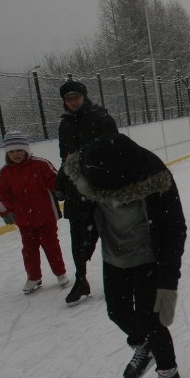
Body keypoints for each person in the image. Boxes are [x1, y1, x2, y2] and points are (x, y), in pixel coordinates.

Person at [64, 132, 187, 378]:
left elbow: (174, 230)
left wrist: (168, 282)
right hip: (114, 257)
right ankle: (145, 346)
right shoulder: (89, 173)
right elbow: (83, 218)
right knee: (116, 312)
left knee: (151, 320)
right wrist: (82, 256)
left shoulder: (155, 178)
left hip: (148, 256)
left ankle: (170, 375)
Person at [56, 79, 119, 306]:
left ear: (84, 96)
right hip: (76, 187)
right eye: (68, 98)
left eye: (76, 96)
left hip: (101, 186)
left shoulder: (101, 118)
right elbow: (65, 156)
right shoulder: (65, 124)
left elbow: (117, 149)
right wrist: (61, 182)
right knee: (78, 235)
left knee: (109, 234)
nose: (72, 101)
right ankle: (81, 279)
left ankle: (117, 279)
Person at [0, 131, 69, 294]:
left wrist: (60, 191)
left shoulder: (41, 164)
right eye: (12, 151)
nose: (16, 154)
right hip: (24, 219)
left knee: (51, 246)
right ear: (7, 153)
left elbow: (55, 180)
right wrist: (5, 211)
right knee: (29, 249)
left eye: (19, 150)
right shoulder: (5, 172)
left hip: (46, 216)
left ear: (26, 150)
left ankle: (60, 273)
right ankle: (34, 277)